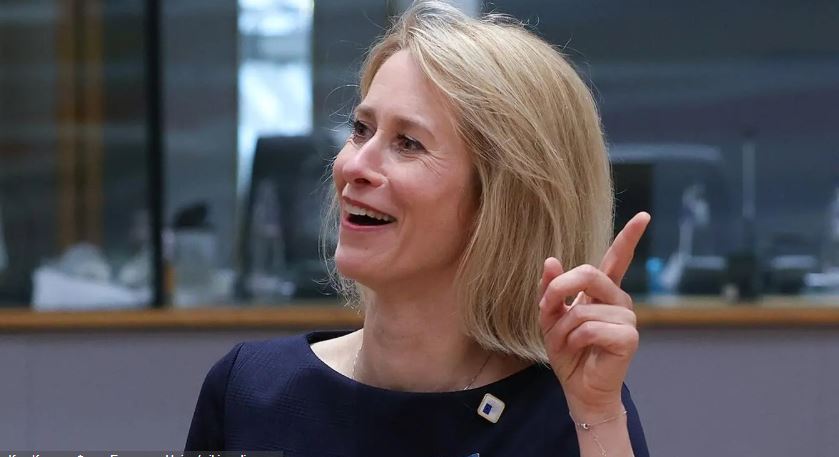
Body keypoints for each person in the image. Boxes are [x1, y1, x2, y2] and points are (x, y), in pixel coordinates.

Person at [185, 2, 651, 456]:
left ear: (502, 200)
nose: (354, 166)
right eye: (361, 129)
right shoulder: (249, 390)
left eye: (408, 143)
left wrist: (598, 415)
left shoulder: (573, 410)